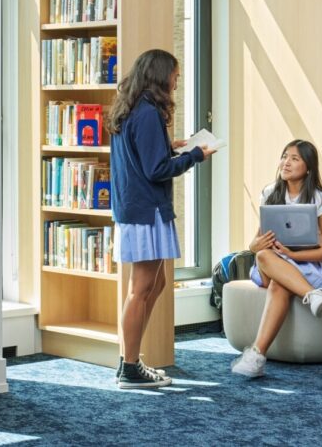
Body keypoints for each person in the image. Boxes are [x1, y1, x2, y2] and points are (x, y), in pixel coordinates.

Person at [108, 49, 215, 389]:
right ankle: (129, 366)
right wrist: (196, 155)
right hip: (147, 210)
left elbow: (144, 157)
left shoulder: (130, 109)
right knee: (141, 290)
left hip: (134, 207)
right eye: (175, 76)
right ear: (160, 76)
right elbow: (156, 171)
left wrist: (170, 147)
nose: (177, 82)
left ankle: (130, 358)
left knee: (154, 285)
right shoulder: (149, 113)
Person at [231, 139, 322, 378]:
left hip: (307, 264)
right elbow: (255, 243)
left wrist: (294, 255)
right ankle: (312, 296)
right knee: (264, 254)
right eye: (284, 156)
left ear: (309, 167)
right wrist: (255, 246)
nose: (286, 162)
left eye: (294, 158)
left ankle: (256, 355)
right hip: (270, 262)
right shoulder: (270, 192)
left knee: (278, 284)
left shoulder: (320, 199)